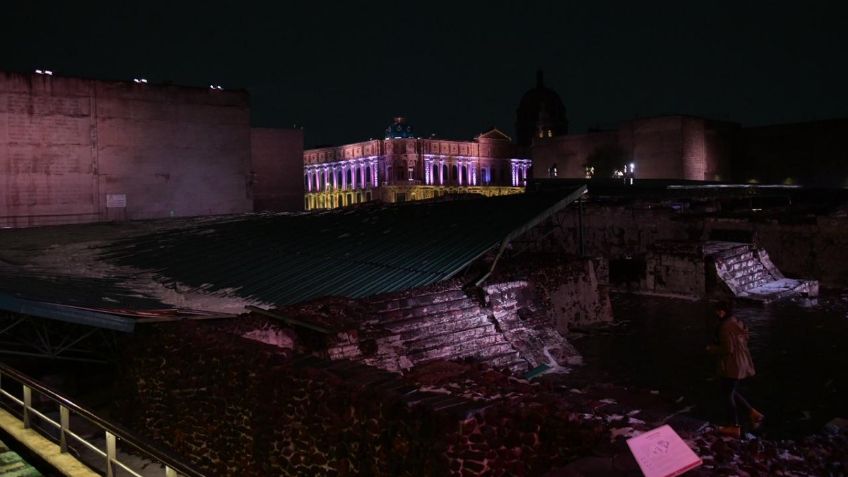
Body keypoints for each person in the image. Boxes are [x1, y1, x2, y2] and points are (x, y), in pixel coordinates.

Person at [706, 301, 764, 437]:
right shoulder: (736, 322)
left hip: (732, 364)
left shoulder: (725, 326)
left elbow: (728, 349)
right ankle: (753, 414)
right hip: (741, 362)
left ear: (722, 311)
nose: (716, 314)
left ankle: (733, 426)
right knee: (730, 391)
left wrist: (711, 349)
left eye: (717, 311)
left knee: (727, 394)